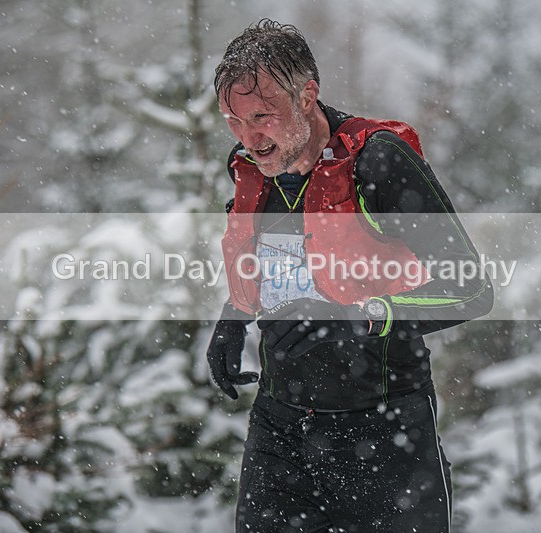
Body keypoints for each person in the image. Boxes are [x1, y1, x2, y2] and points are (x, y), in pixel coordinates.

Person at [207, 19, 493, 533]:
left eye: (262, 116)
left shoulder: (376, 162)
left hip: (385, 428)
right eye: (234, 121)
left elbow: (470, 290)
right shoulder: (252, 169)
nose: (250, 139)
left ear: (308, 94)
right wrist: (235, 315)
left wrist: (351, 318)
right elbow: (268, 260)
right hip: (281, 427)